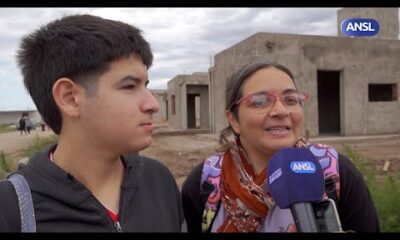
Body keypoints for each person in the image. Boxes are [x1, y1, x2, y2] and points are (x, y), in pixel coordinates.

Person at [0, 14, 184, 232]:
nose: (153, 104)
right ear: (70, 98)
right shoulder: (12, 210)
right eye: (129, 86)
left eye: (145, 85)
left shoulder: (158, 180)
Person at [181, 59, 380, 232]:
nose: (280, 110)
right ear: (233, 119)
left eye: (291, 99)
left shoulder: (335, 172)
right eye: (260, 101)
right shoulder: (206, 182)